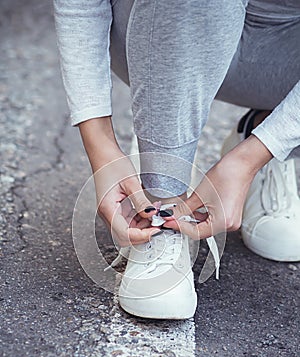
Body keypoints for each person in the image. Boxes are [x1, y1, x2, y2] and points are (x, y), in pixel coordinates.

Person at [54, 0, 300, 319]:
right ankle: (161, 201)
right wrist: (100, 148)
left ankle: (263, 133)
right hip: (155, 28)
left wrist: (256, 153)